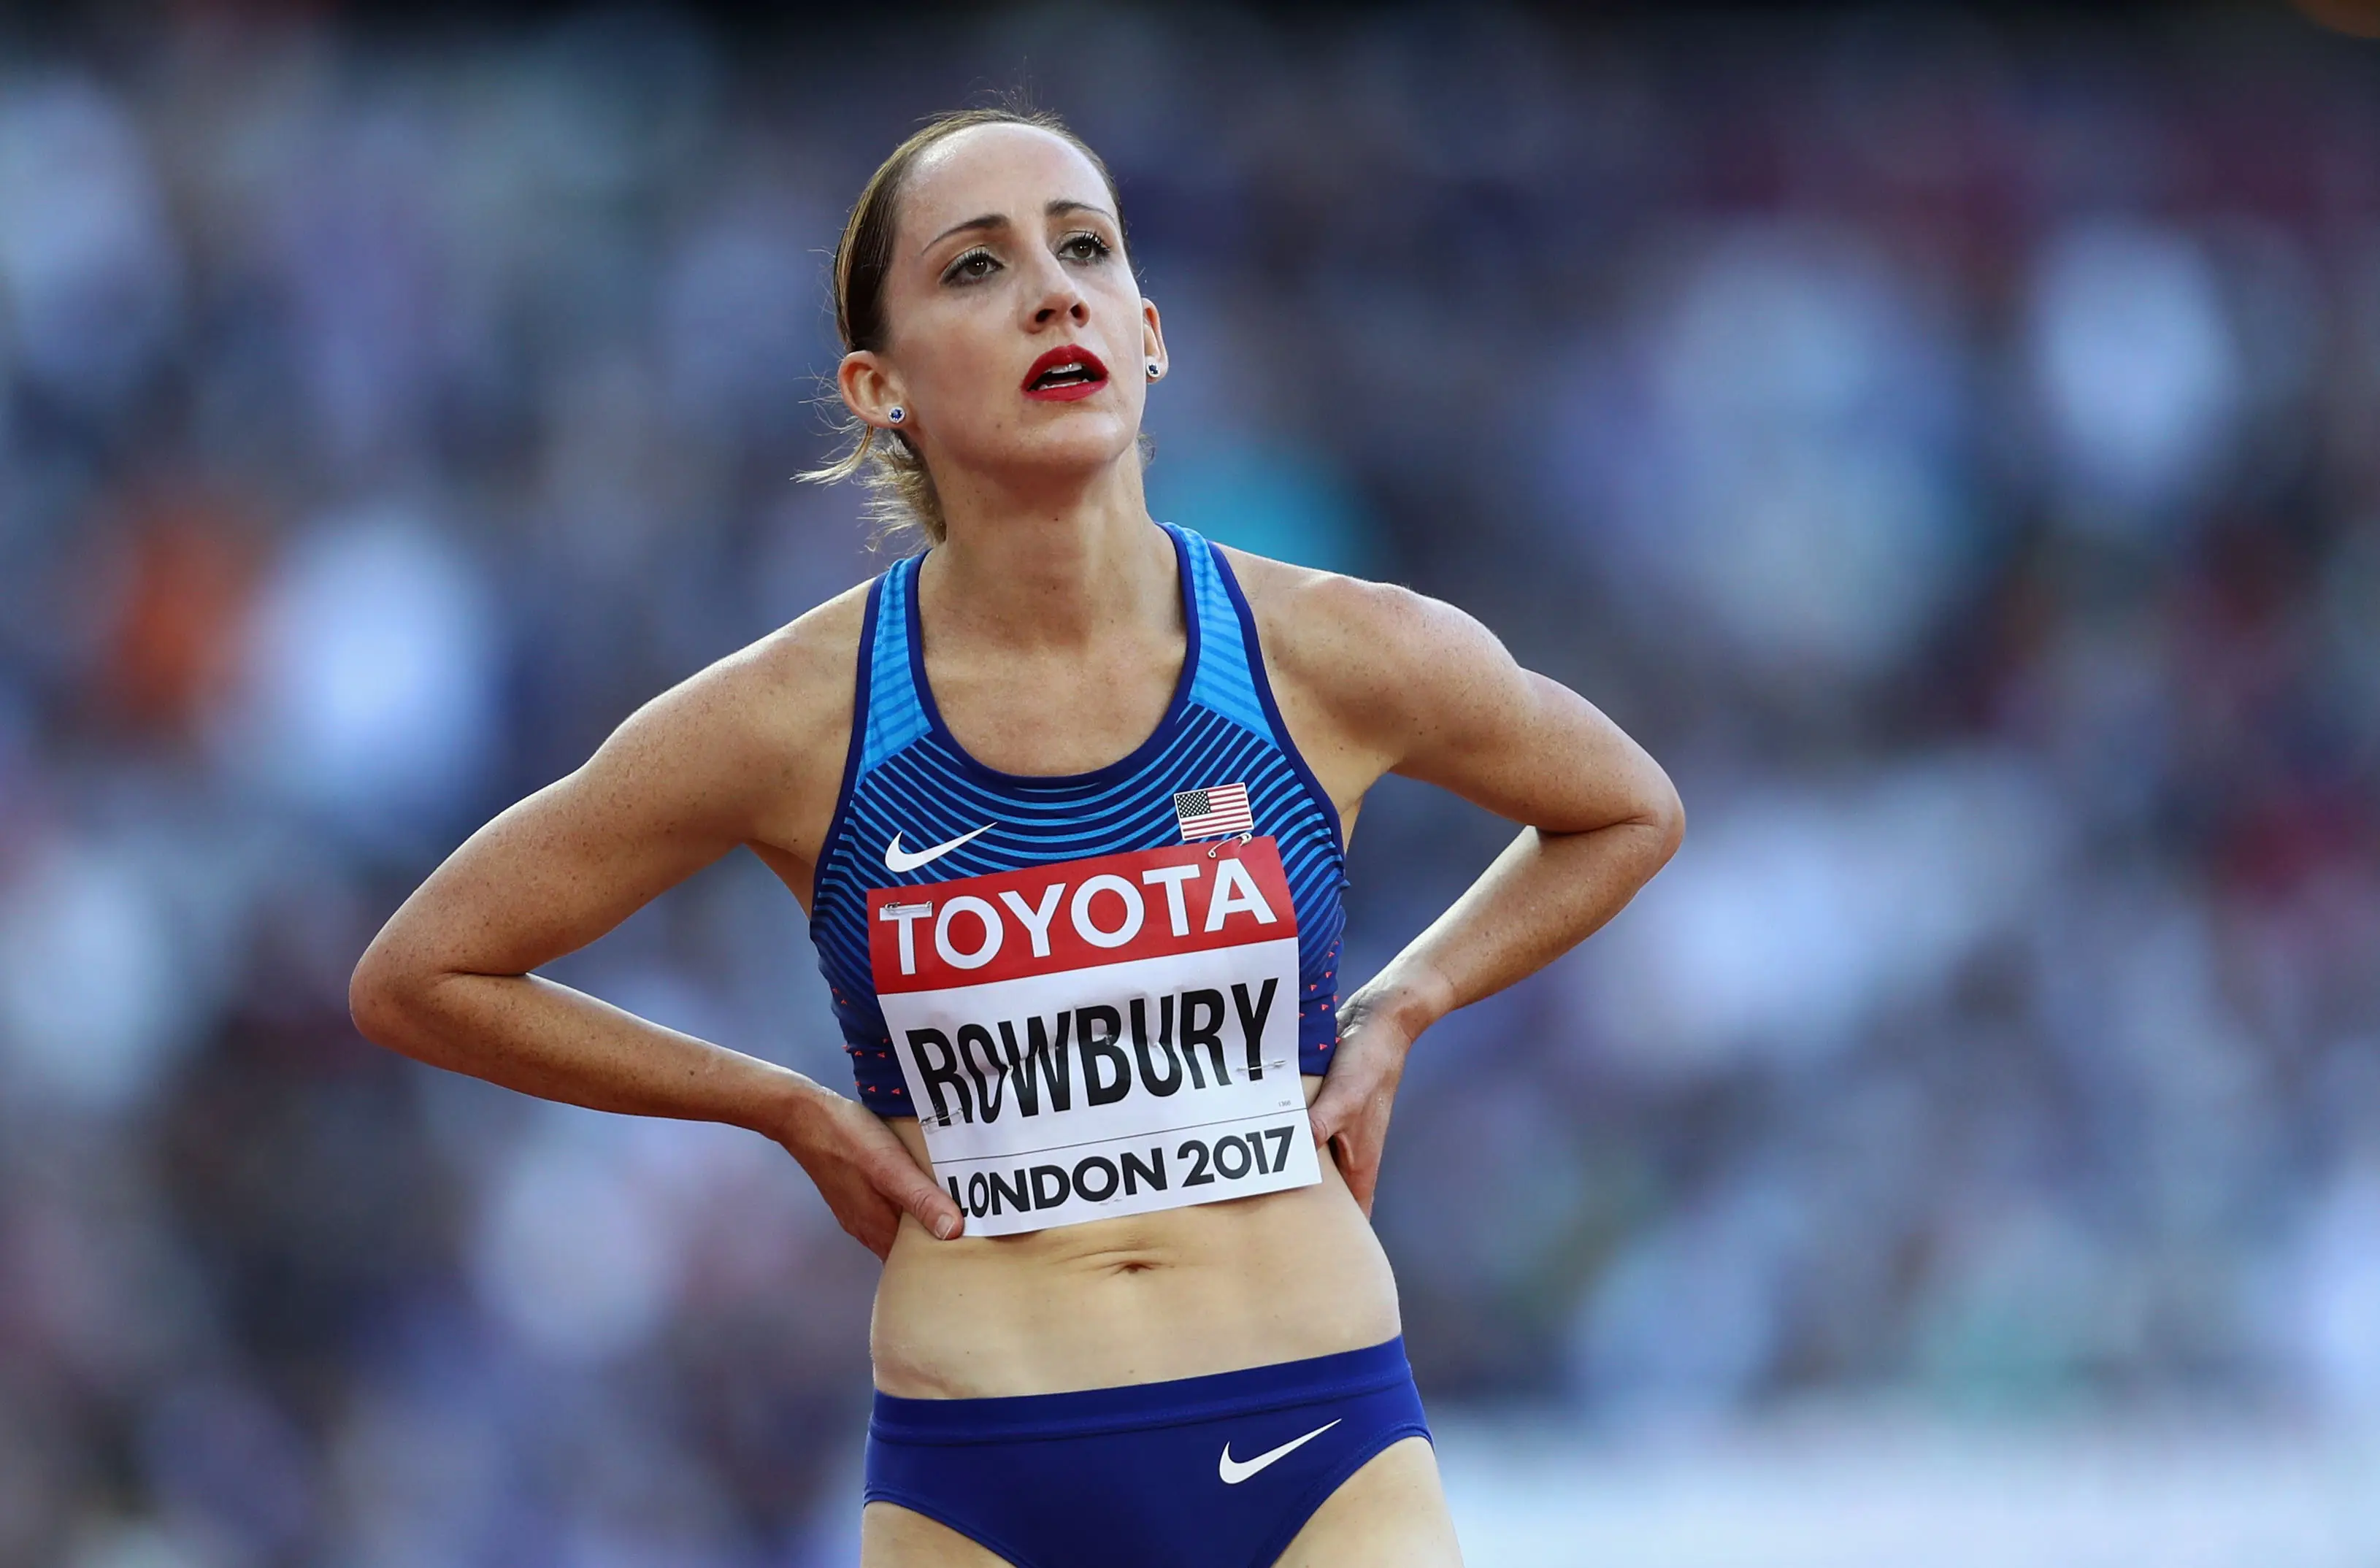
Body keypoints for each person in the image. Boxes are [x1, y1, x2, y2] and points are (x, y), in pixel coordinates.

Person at [350, 104, 1683, 1568]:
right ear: (879, 386)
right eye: (974, 268)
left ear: (1147, 331)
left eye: (1085, 249)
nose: (1051, 290)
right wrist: (775, 1106)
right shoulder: (798, 716)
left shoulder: (1323, 652)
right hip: (983, 1467)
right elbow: (422, 975)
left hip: (1318, 1430)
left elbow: (1623, 809)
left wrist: (1408, 1000)